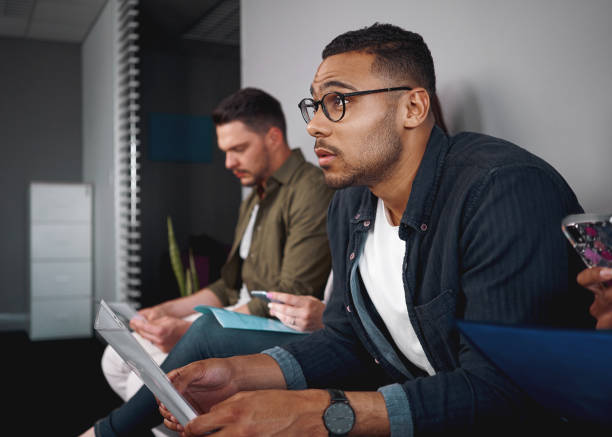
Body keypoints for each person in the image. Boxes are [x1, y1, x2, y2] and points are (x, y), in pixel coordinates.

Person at [159, 23, 593, 437]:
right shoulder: (351, 203)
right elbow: (348, 342)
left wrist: (320, 415)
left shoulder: (502, 190)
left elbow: (505, 390)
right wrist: (239, 373)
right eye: (315, 104)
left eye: (338, 102)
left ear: (413, 107)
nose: (314, 125)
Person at [87, 87, 334, 437]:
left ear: (273, 137)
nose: (228, 163)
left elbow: (289, 296)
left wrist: (184, 332)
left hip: (272, 324)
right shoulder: (255, 199)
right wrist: (167, 310)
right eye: (225, 151)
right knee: (116, 359)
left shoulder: (310, 188)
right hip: (236, 309)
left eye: (238, 149)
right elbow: (227, 285)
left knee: (158, 381)